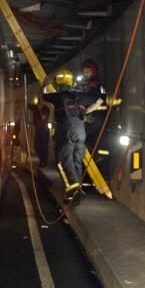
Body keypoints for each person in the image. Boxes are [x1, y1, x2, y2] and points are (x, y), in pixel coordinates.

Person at [42, 68, 105, 204]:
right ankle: (76, 191)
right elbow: (100, 101)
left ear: (59, 82)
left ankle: (74, 189)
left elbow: (44, 96)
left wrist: (45, 83)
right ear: (71, 82)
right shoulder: (81, 96)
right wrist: (86, 111)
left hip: (66, 128)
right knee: (77, 159)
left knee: (64, 159)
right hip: (80, 130)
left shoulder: (58, 97)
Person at [28, 98, 51, 167]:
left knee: (43, 147)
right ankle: (42, 160)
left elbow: (42, 117)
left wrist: (39, 109)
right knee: (36, 146)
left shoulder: (45, 109)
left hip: (44, 130)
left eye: (41, 100)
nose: (39, 102)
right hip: (38, 130)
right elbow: (29, 106)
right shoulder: (35, 108)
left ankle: (44, 162)